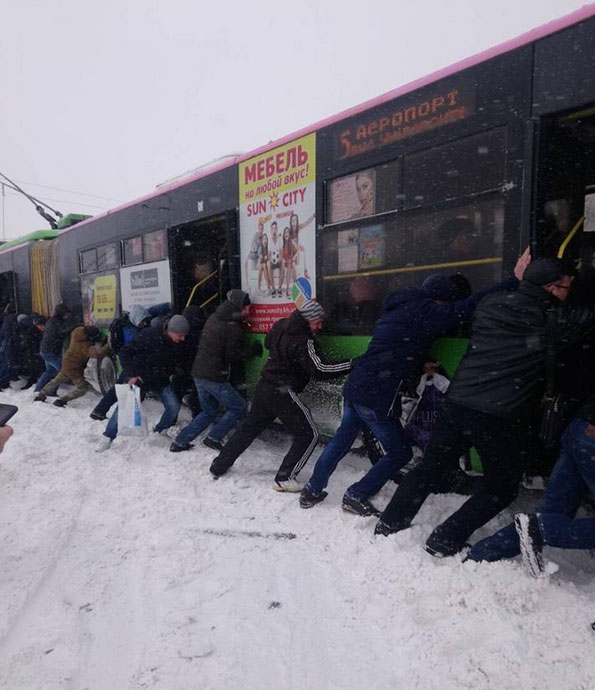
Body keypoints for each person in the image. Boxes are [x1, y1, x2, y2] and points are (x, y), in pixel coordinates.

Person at [374, 257, 595, 558]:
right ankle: (445, 538)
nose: (568, 293)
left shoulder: (491, 304)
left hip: (458, 402)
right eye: (566, 288)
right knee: (501, 487)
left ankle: (389, 524)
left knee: (428, 468)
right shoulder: (551, 319)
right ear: (552, 288)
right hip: (500, 414)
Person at [299, 260, 526, 515]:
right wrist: (512, 281)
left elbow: (397, 347)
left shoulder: (400, 307)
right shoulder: (427, 310)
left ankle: (312, 489)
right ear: (441, 300)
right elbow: (466, 308)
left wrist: (419, 366)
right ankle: (357, 494)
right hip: (376, 394)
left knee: (340, 441)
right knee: (400, 453)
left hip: (357, 385)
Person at [209, 300, 352, 491]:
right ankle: (285, 478)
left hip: (265, 386)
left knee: (248, 429)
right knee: (309, 434)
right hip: (282, 392)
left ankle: (219, 465)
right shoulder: (304, 340)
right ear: (308, 319)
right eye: (317, 322)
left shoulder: (281, 325)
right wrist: (352, 364)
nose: (319, 326)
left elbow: (269, 342)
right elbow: (320, 369)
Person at [467, 408, 595, 577]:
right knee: (544, 521)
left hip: (580, 429)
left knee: (554, 510)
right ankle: (541, 529)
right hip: (589, 439)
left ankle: (482, 555)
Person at [170, 290, 262, 453]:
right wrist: (253, 351)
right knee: (238, 407)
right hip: (213, 376)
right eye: (247, 308)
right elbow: (232, 354)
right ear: (239, 307)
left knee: (209, 411)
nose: (249, 311)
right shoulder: (232, 326)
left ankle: (180, 441)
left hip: (199, 373)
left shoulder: (214, 317)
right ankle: (214, 437)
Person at [96, 315, 190, 452]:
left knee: (174, 406)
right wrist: (131, 374)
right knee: (124, 409)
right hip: (139, 378)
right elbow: (124, 352)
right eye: (180, 335)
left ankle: (159, 430)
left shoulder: (178, 344)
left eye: (184, 336)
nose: (183, 339)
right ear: (169, 330)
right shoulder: (149, 335)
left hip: (160, 379)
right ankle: (107, 437)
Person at [89, 304, 168, 421]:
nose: (145, 324)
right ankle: (106, 415)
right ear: (136, 320)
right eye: (142, 322)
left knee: (120, 389)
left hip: (135, 365)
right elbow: (130, 351)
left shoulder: (135, 318)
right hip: (132, 365)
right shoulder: (130, 331)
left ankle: (100, 411)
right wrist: (132, 372)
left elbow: (150, 311)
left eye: (146, 321)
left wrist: (166, 306)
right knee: (123, 391)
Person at [34, 326, 111, 406]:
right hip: (74, 368)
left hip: (67, 362)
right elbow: (97, 353)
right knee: (82, 388)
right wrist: (108, 345)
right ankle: (62, 401)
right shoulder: (84, 346)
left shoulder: (77, 332)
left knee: (57, 380)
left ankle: (41, 395)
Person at [34, 303, 71, 392]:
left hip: (46, 350)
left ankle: (38, 390)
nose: (67, 316)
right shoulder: (54, 322)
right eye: (66, 314)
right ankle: (49, 391)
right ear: (61, 313)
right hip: (50, 352)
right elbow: (60, 334)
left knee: (50, 371)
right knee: (64, 371)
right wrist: (73, 328)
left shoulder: (53, 321)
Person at [15, 314, 46, 389]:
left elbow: (28, 341)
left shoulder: (30, 329)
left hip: (33, 351)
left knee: (34, 368)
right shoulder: (34, 328)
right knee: (40, 368)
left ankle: (33, 383)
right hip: (37, 350)